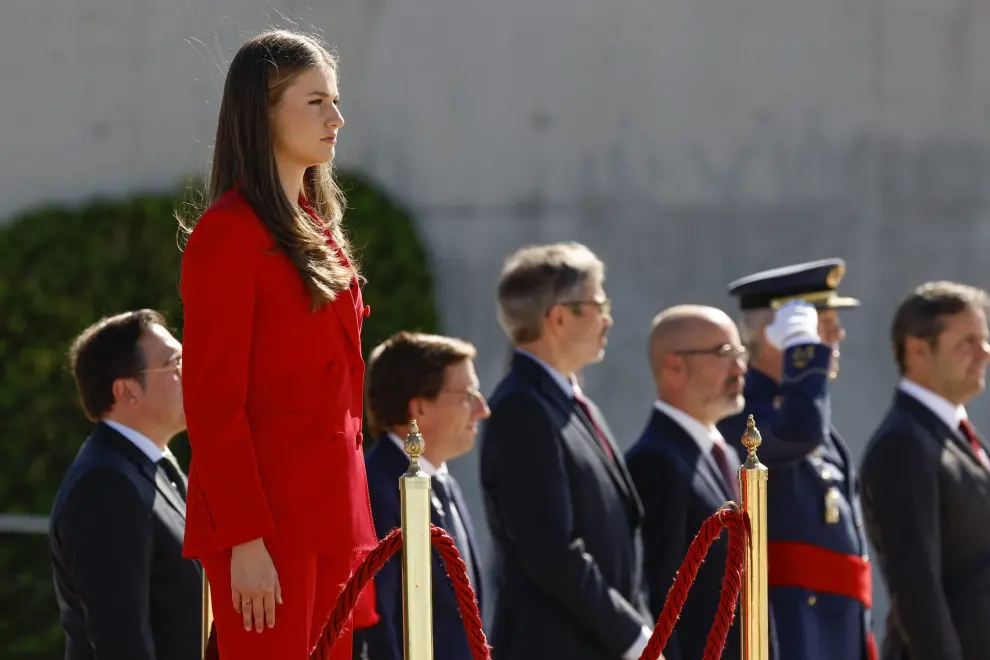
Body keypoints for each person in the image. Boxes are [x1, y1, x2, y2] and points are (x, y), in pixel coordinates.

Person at [178, 30, 377, 660]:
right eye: (316, 101)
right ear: (262, 110)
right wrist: (244, 541)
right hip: (267, 525)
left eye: (336, 101)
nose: (336, 118)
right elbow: (213, 403)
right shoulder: (228, 234)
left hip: (332, 513)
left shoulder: (320, 229)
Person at [479, 242, 658, 660]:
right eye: (598, 303)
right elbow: (552, 553)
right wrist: (635, 639)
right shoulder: (523, 408)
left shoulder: (567, 403)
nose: (608, 319)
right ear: (559, 317)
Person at [716, 258, 875, 660]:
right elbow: (799, 433)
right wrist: (805, 357)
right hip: (792, 633)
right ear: (776, 336)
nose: (837, 335)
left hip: (834, 631)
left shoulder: (810, 412)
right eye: (820, 325)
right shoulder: (744, 410)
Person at [49, 309, 201, 660]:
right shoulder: (104, 485)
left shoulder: (149, 468)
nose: (189, 371)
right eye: (174, 363)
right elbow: (121, 641)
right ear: (127, 391)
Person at [859, 281, 990, 660]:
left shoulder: (956, 435)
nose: (983, 353)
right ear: (917, 349)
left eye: (984, 340)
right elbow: (917, 588)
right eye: (967, 342)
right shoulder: (904, 445)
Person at [354, 331, 490, 660]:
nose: (482, 409)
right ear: (420, 406)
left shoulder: (444, 481)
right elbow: (380, 624)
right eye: (468, 394)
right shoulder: (378, 490)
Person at [625, 305, 748, 660]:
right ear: (674, 366)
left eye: (740, 353)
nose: (739, 368)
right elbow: (664, 595)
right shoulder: (655, 462)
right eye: (724, 354)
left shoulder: (720, 452)